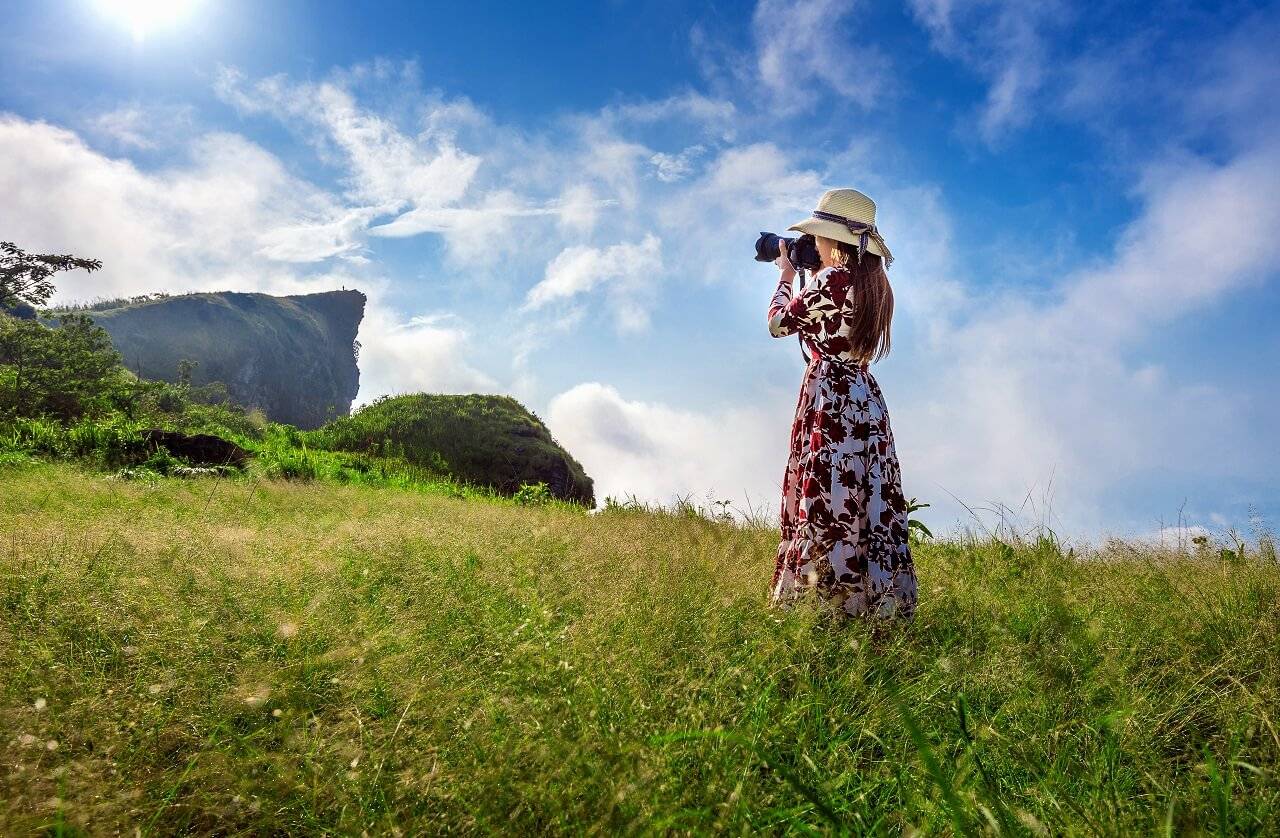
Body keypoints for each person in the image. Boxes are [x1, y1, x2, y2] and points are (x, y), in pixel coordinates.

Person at [766, 187, 918, 619]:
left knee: (826, 496)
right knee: (865, 496)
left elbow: (779, 323)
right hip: (864, 398)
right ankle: (873, 604)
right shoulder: (877, 286)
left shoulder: (832, 281)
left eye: (818, 237)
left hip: (830, 398)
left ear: (836, 240)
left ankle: (821, 604)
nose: (813, 244)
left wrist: (785, 275)